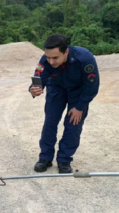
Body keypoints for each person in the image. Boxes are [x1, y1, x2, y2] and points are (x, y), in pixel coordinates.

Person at [30, 34, 100, 173]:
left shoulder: (85, 58)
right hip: (56, 88)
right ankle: (45, 158)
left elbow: (92, 86)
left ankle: (64, 160)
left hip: (78, 91)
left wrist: (80, 107)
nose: (50, 61)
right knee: (50, 122)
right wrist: (34, 89)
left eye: (55, 58)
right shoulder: (46, 59)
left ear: (66, 51)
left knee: (73, 123)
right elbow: (39, 77)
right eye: (48, 57)